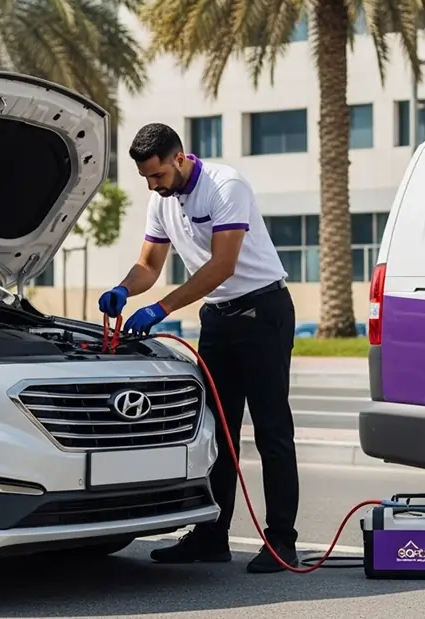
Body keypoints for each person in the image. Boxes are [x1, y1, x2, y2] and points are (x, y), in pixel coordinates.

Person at [97, 123, 300, 574]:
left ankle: (283, 541)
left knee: (271, 431)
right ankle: (212, 535)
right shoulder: (160, 201)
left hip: (262, 310)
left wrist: (161, 309)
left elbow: (223, 264)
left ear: (179, 157)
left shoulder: (225, 186)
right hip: (220, 317)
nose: (153, 185)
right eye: (146, 178)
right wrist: (125, 290)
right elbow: (150, 264)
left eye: (157, 175)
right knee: (218, 431)